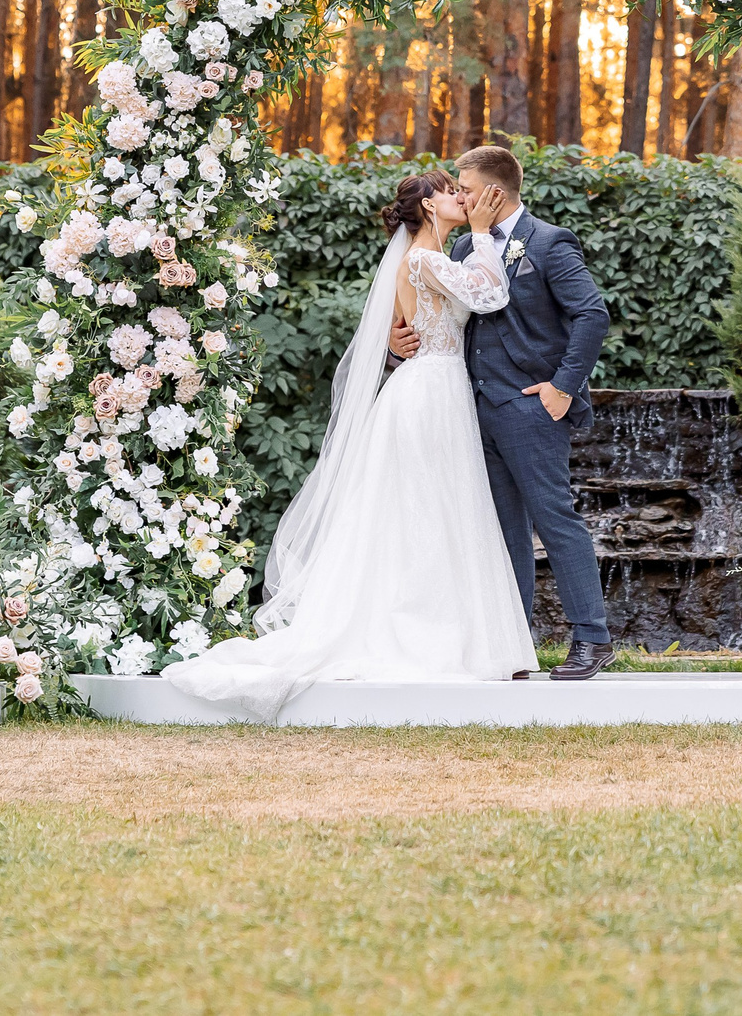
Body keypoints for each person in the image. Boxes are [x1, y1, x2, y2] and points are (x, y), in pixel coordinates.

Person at [160, 172, 538, 721]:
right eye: (454, 193)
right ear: (430, 206)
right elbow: (491, 293)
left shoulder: (430, 256)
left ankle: (462, 638)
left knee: (442, 513)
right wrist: (483, 232)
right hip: (428, 395)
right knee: (425, 514)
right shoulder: (423, 259)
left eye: (466, 192)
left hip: (439, 390)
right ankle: (419, 636)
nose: (465, 198)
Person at [389, 145, 614, 681]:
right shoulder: (465, 244)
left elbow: (591, 314)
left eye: (465, 189)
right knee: (502, 530)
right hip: (469, 407)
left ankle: (592, 638)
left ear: (495, 191)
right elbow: (439, 315)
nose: (459, 197)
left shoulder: (550, 242)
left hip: (531, 405)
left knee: (554, 519)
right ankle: (513, 646)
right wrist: (398, 345)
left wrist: (563, 388)